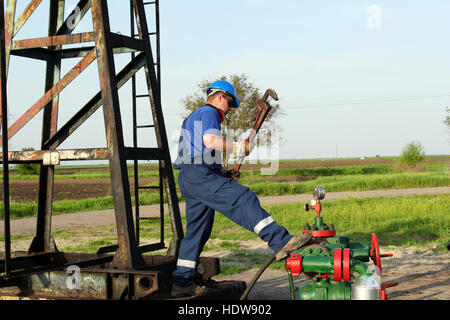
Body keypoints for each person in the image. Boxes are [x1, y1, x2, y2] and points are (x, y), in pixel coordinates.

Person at [171, 80, 312, 297]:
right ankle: (281, 241)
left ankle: (182, 282)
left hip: (191, 177)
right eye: (230, 103)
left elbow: (196, 153)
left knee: (197, 231)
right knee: (243, 199)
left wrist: (223, 173)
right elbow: (210, 142)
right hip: (199, 175)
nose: (230, 109)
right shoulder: (209, 112)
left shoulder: (193, 116)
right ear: (219, 97)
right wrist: (237, 146)